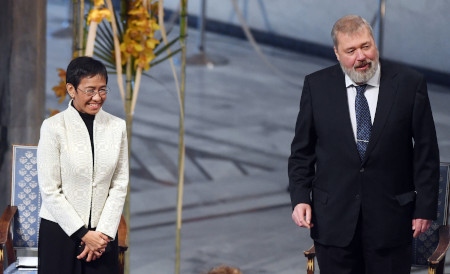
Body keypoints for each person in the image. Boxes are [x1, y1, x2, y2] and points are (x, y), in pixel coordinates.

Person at [288, 15, 439, 274]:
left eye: (366, 46)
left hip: (391, 221)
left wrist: (424, 207)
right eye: (351, 50)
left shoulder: (409, 84)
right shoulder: (316, 86)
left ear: (375, 45)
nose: (361, 57)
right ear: (336, 53)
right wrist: (300, 198)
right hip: (333, 222)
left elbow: (426, 152)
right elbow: (302, 152)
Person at [37, 56, 129, 273]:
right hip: (60, 234)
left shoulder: (117, 127)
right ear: (71, 89)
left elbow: (119, 183)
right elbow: (50, 190)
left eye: (103, 89)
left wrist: (103, 234)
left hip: (102, 238)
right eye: (90, 90)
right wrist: (84, 234)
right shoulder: (53, 128)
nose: (97, 97)